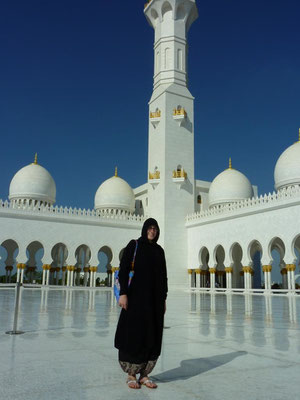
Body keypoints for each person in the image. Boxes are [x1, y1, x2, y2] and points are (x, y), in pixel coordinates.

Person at [114, 218, 168, 389]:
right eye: (150, 228)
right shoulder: (134, 245)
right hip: (136, 298)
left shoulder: (159, 251)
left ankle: (144, 375)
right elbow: (123, 269)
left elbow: (163, 276)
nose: (152, 231)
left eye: (155, 229)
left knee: (152, 334)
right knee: (134, 333)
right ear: (145, 229)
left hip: (154, 301)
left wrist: (164, 298)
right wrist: (123, 293)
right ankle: (131, 374)